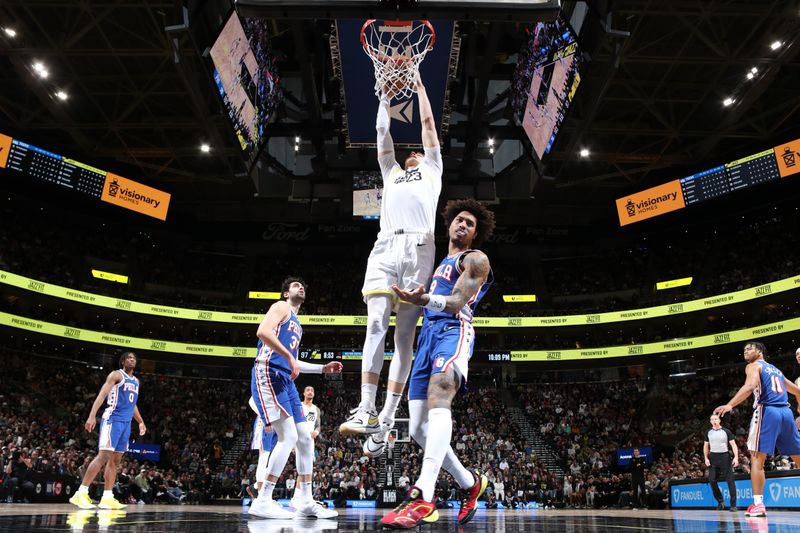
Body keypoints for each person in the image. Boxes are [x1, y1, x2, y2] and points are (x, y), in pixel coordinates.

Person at [340, 73, 443, 457]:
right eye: (410, 150)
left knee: (403, 338)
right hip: (385, 246)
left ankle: (385, 420)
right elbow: (382, 136)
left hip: (419, 245)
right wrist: (383, 98)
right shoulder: (392, 172)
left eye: (417, 149)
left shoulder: (432, 168)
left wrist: (418, 86)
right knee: (375, 322)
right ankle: (367, 408)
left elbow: (429, 124)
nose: (412, 150)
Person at [382, 198, 496, 528]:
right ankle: (470, 483)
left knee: (440, 394)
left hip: (453, 329)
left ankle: (423, 498)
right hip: (427, 337)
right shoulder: (436, 265)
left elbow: (457, 301)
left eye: (470, 223)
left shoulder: (475, 259)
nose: (462, 225)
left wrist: (423, 299)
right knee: (417, 427)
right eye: (459, 219)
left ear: (475, 234)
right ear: (448, 224)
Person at [248, 277, 341, 519]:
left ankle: (304, 499)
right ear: (286, 293)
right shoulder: (281, 307)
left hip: (286, 379)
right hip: (268, 371)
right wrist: (288, 356)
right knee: (288, 435)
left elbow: (293, 362)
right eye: (295, 285)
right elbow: (263, 332)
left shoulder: (297, 324)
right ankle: (263, 499)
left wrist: (322, 369)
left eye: (303, 286)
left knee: (305, 439)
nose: (301, 287)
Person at [714, 342, 800, 517]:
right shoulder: (776, 370)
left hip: (767, 411)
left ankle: (758, 505)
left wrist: (730, 404)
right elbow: (797, 391)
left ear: (760, 351)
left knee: (757, 460)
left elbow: (750, 386)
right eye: (744, 349)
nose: (745, 351)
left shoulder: (753, 366)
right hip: (786, 413)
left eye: (749, 348)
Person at [69, 351, 146, 510]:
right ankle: (81, 493)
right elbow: (102, 394)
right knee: (103, 455)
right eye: (129, 358)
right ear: (123, 361)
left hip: (126, 423)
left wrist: (140, 422)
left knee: (116, 461)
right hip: (113, 419)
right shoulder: (116, 375)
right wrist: (92, 416)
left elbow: (133, 406)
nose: (132, 360)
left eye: (134, 358)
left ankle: (107, 497)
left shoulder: (136, 381)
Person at [703, 414, 739, 511]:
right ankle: (720, 501)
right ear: (710, 421)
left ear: (719, 420)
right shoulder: (708, 432)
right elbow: (706, 446)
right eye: (712, 419)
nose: (714, 420)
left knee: (730, 480)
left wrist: (736, 457)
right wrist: (706, 458)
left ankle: (733, 505)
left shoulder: (726, 431)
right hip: (713, 457)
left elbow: (733, 444)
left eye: (715, 419)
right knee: (712, 480)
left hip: (725, 457)